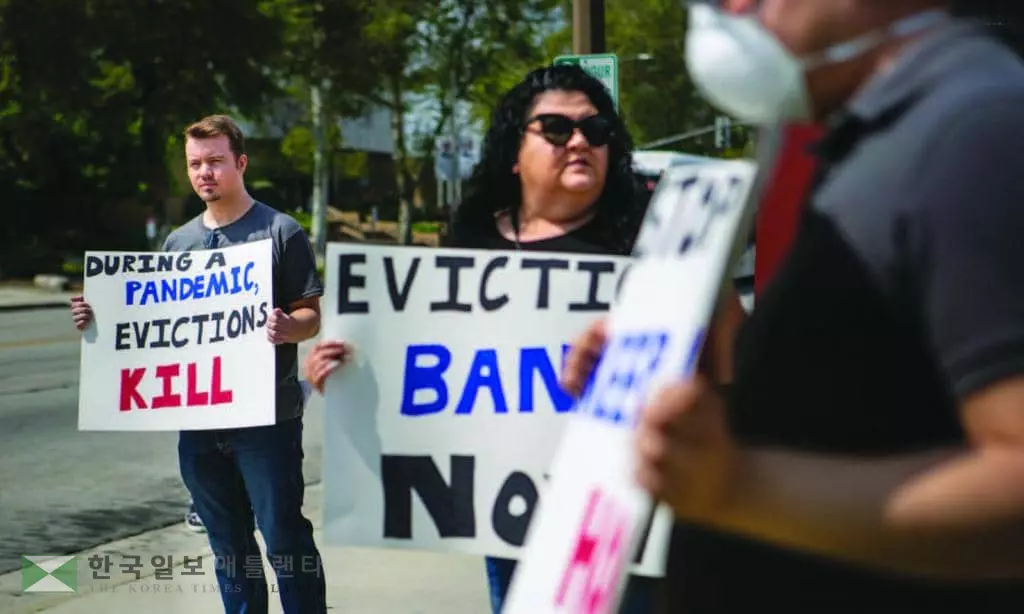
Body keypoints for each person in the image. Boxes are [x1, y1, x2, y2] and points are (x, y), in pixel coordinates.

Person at [562, 1, 1024, 612]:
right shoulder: (871, 134)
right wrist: (683, 364)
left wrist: (738, 486)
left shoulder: (974, 129)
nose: (724, 11)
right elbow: (861, 405)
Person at [303, 64, 657, 613]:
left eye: (598, 130)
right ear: (515, 153)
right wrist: (351, 376)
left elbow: (732, 364)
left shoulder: (653, 243)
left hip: (621, 517)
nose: (581, 141)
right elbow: (436, 370)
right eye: (558, 129)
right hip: (510, 519)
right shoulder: (473, 245)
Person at [70, 114, 328, 614]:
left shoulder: (281, 232)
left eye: (215, 161)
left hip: (267, 421)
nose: (204, 172)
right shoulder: (178, 242)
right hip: (199, 424)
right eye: (195, 164)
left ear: (241, 163)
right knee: (228, 546)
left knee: (283, 538)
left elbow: (310, 315)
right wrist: (99, 317)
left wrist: (288, 327)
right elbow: (157, 325)